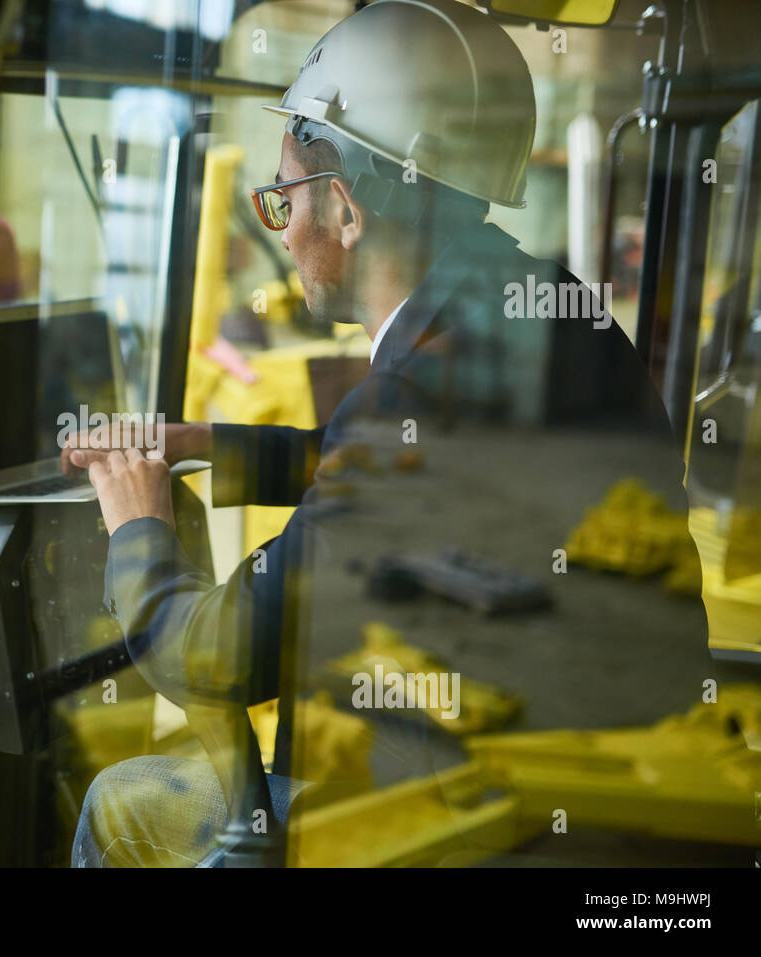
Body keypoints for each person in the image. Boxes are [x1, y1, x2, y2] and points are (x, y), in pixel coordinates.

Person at [61, 0, 718, 867]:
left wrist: (138, 525)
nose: (283, 227)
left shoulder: (421, 385)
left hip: (468, 824)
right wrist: (212, 442)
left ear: (344, 207)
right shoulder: (548, 309)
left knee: (120, 803)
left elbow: (212, 658)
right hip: (610, 804)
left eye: (281, 198)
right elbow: (411, 474)